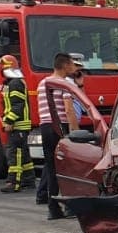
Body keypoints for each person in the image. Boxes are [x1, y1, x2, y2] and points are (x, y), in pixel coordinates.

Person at [34, 52, 87, 220]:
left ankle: (53, 208)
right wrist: (75, 133)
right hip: (60, 127)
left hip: (45, 126)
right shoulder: (64, 84)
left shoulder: (42, 83)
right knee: (68, 167)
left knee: (51, 168)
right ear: (65, 66)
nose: (74, 68)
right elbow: (69, 110)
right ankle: (71, 206)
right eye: (72, 64)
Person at [0, 55, 34, 193]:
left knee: (14, 154)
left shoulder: (14, 83)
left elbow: (17, 105)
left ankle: (13, 182)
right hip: (21, 126)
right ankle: (28, 180)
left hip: (18, 126)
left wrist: (9, 121)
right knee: (23, 154)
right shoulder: (15, 82)